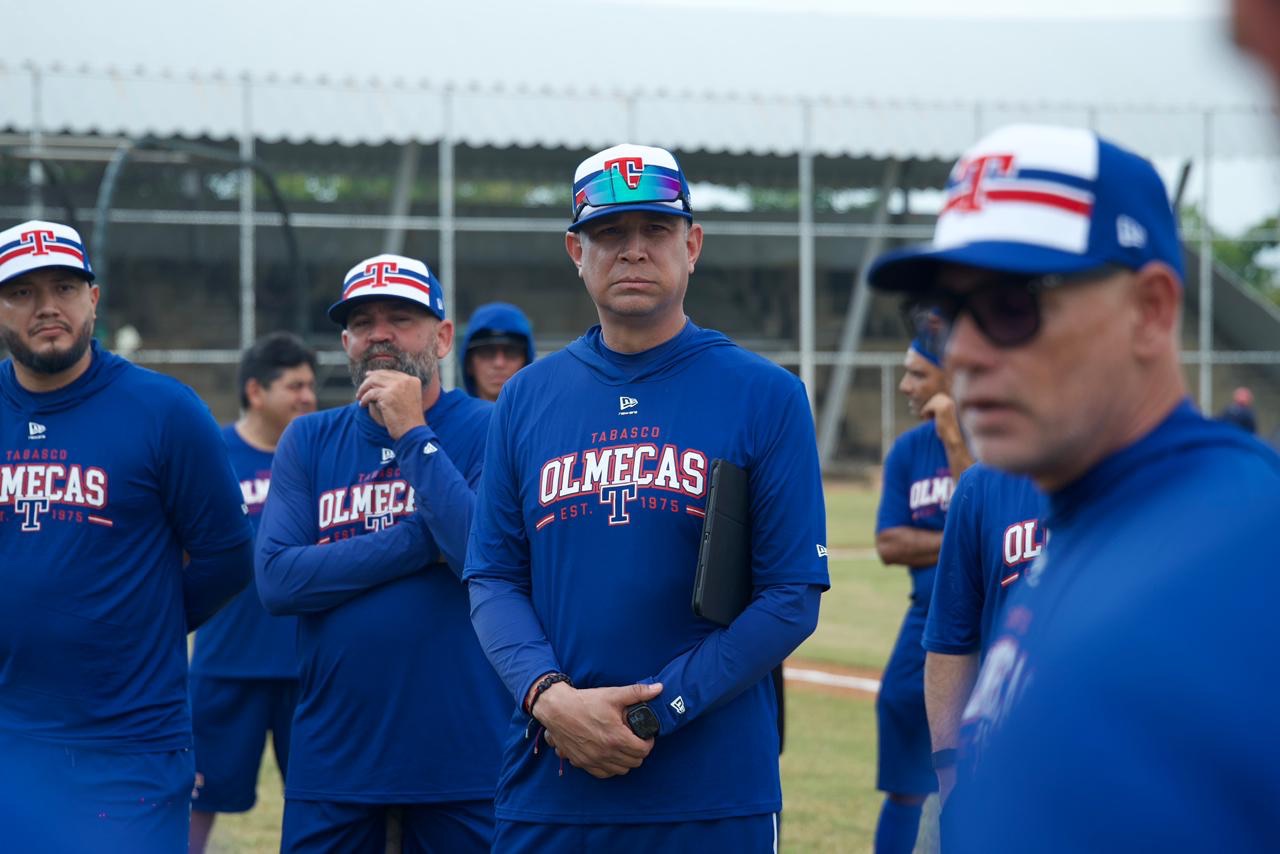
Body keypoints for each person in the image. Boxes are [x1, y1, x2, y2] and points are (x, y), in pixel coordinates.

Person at [868, 124, 1280, 852]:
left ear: (1150, 311)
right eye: (947, 313)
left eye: (1011, 305)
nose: (961, 351)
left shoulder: (1245, 537)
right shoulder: (1067, 499)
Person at [463, 143, 829, 851]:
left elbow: (791, 597)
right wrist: (549, 698)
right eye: (609, 233)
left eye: (656, 229)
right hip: (552, 785)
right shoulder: (526, 398)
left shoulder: (767, 395)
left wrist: (655, 713)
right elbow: (493, 578)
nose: (633, 249)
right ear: (577, 251)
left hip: (712, 791)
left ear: (692, 245)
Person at [0, 219, 253, 851]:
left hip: (128, 744)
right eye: (22, 292)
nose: (46, 307)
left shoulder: (164, 411)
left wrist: (143, 622)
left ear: (94, 298)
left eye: (64, 287)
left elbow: (227, 557)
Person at [254, 253, 508, 852]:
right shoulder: (309, 438)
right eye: (363, 322)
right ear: (346, 342)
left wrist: (413, 433)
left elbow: (477, 553)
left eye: (401, 318)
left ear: (442, 338)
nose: (380, 335)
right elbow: (279, 580)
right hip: (336, 758)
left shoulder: (490, 427)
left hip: (464, 756)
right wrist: (422, 539)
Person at [188, 332, 318, 853]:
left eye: (310, 385)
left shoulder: (317, 455)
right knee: (196, 797)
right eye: (295, 386)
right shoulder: (213, 454)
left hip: (304, 666)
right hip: (225, 663)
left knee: (317, 801)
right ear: (256, 391)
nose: (308, 396)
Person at [872, 330, 973, 854]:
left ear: (952, 375)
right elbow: (890, 542)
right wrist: (961, 542)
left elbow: (990, 524)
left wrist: (955, 437)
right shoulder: (909, 450)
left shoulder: (996, 440)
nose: (906, 385)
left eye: (919, 373)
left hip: (991, 622)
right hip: (926, 619)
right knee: (905, 780)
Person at [921, 463, 1044, 808]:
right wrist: (948, 775)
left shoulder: (1159, 475)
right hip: (1005, 770)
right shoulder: (983, 484)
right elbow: (950, 641)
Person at [461, 301, 536, 401]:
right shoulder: (450, 412)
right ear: (469, 364)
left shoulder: (545, 411)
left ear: (526, 362)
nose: (499, 364)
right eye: (486, 352)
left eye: (511, 353)